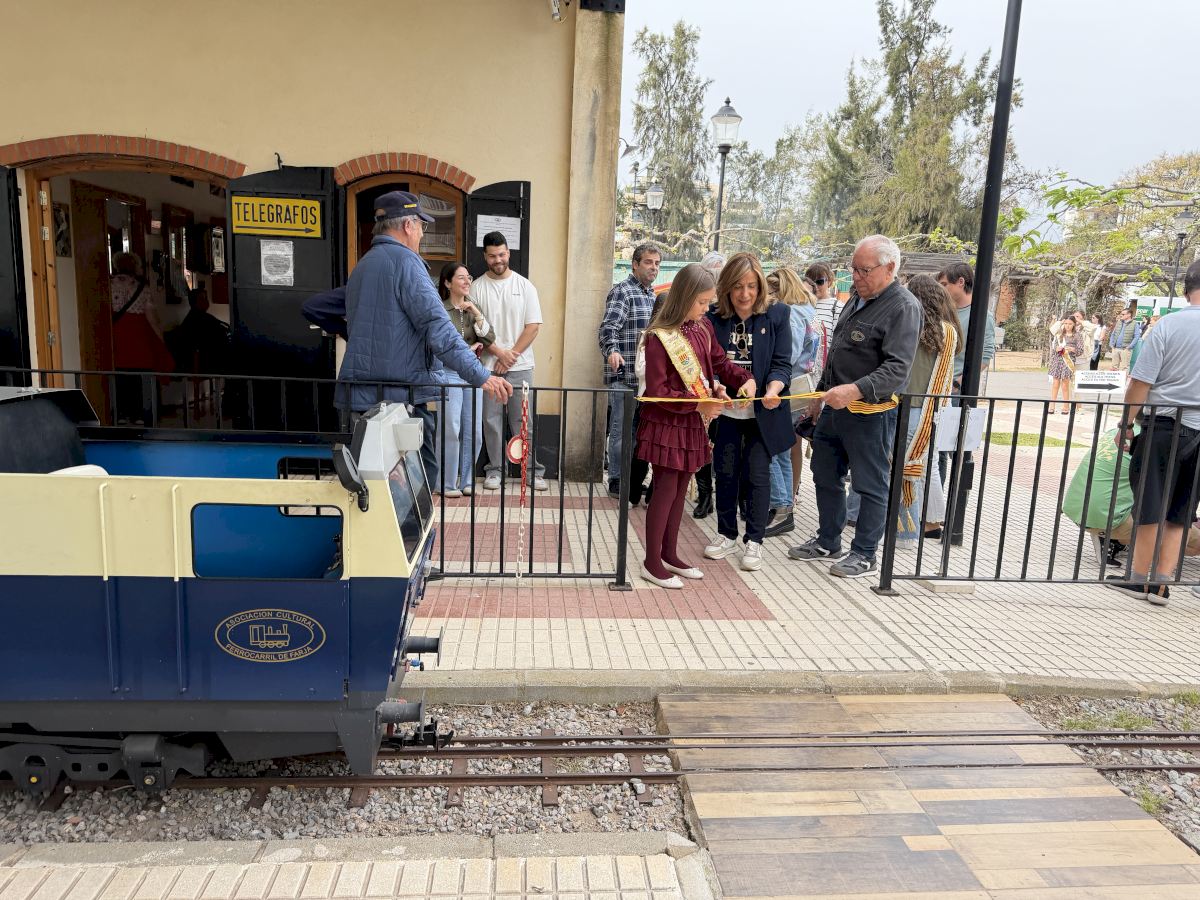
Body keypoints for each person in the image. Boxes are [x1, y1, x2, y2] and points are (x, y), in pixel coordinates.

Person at [338, 192, 513, 488]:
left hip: (362, 396)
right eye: (421, 226)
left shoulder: (363, 265)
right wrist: (480, 375)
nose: (421, 233)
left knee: (372, 485)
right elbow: (439, 329)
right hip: (400, 397)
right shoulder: (407, 263)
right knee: (418, 484)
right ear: (408, 225)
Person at [788, 235, 921, 578]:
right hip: (834, 408)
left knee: (869, 484)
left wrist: (854, 390)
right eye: (853, 269)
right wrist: (820, 395)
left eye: (864, 270)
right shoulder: (857, 299)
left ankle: (864, 553)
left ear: (889, 268)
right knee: (824, 473)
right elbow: (836, 353)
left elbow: (897, 369)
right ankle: (827, 540)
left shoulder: (903, 307)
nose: (856, 277)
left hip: (871, 413)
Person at [636, 264, 752, 588]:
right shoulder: (660, 337)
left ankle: (669, 554)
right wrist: (700, 403)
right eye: (701, 302)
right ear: (684, 297)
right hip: (666, 422)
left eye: (708, 302)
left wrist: (743, 379)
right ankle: (651, 562)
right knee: (665, 490)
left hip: (691, 422)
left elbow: (718, 362)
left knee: (679, 492)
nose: (705, 308)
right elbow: (658, 392)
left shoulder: (702, 327)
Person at [1110, 261, 1200, 606]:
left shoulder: (1168, 326)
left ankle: (1138, 578)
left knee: (1150, 503)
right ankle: (1162, 582)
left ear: (1186, 289)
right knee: (1181, 510)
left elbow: (1141, 382)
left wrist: (1126, 424)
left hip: (1163, 425)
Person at [702, 253, 793, 572]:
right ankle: (726, 533)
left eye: (752, 286)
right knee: (725, 472)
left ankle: (754, 540)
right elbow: (708, 363)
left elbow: (782, 363)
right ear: (727, 287)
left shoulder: (777, 314)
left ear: (760, 286)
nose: (745, 294)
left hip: (763, 412)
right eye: (738, 286)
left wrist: (773, 389)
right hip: (727, 410)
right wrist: (716, 386)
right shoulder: (713, 317)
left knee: (757, 474)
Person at [470, 231, 548, 491]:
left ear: (508, 253)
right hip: (488, 369)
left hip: (521, 366)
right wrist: (498, 353)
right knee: (491, 421)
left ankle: (531, 470)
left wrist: (509, 356)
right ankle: (495, 470)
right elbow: (474, 329)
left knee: (523, 421)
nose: (498, 260)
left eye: (502, 254)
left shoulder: (525, 286)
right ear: (485, 256)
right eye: (493, 256)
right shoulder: (477, 287)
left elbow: (533, 327)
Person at [895, 275, 961, 550]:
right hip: (933, 409)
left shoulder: (911, 326)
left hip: (908, 407)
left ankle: (906, 534)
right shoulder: (949, 332)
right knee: (922, 468)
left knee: (906, 471)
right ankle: (931, 522)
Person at [599, 242, 660, 498]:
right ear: (635, 264)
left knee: (638, 434)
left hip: (645, 380)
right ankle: (616, 479)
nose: (653, 268)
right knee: (621, 432)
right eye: (648, 262)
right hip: (623, 376)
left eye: (657, 263)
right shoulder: (622, 291)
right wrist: (612, 351)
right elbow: (608, 328)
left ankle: (631, 480)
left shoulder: (653, 296)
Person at [764, 267, 820, 538]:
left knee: (770, 448)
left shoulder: (792, 313)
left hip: (787, 386)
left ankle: (780, 506)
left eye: (770, 291)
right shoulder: (807, 310)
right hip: (798, 386)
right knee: (782, 449)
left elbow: (789, 354)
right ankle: (784, 506)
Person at [435, 261, 496, 497]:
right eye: (461, 277)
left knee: (474, 430)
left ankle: (467, 481)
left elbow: (489, 338)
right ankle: (446, 483)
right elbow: (439, 344)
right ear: (448, 283)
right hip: (449, 372)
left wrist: (476, 313)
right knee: (451, 428)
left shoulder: (473, 307)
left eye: (468, 277)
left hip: (472, 373)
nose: (467, 281)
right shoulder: (440, 309)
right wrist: (466, 350)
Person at [110, 252, 174, 424]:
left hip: (117, 335)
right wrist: (161, 339)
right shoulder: (142, 289)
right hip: (138, 336)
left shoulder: (108, 285)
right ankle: (139, 414)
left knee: (120, 375)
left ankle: (121, 414)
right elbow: (152, 319)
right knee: (139, 376)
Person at [690, 251, 728, 519]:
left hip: (723, 385)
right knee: (700, 440)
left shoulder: (726, 310)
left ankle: (711, 495)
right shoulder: (701, 312)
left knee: (713, 443)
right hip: (698, 384)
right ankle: (705, 495)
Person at [1048, 317, 1082, 414]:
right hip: (1058, 360)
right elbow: (1054, 347)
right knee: (1055, 383)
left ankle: (1066, 406)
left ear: (1074, 324)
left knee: (1065, 384)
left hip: (1068, 361)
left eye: (1070, 324)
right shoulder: (1059, 334)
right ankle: (1052, 405)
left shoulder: (1077, 335)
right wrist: (1057, 349)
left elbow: (1080, 350)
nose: (1067, 326)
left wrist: (1072, 349)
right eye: (1066, 323)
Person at [1107, 308, 1141, 372]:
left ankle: (1124, 378)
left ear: (1129, 315)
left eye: (1123, 314)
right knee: (1114, 367)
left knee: (1124, 367)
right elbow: (1113, 334)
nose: (1121, 315)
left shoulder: (1135, 324)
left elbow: (1136, 337)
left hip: (1125, 349)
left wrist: (1129, 347)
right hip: (1115, 348)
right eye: (1121, 314)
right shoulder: (1119, 322)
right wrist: (1111, 344)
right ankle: (1114, 379)